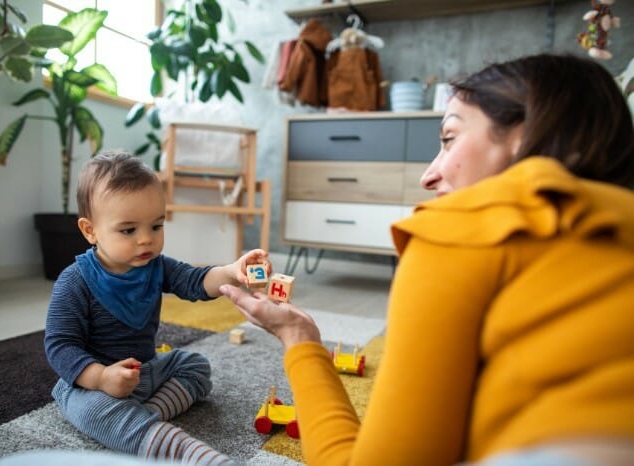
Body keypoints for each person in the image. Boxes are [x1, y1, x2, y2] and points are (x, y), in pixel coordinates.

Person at [220, 53, 634, 466]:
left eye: (449, 138)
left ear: (523, 137)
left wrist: (299, 338)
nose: (428, 176)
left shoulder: (464, 230)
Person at [44, 151, 269, 465]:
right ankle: (185, 452)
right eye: (128, 230)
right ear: (90, 230)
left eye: (156, 226)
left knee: (195, 365)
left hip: (146, 371)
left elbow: (196, 281)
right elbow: (59, 345)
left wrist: (232, 271)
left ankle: (146, 418)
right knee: (95, 411)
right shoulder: (75, 281)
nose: (146, 240)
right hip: (94, 385)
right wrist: (101, 377)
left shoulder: (156, 266)